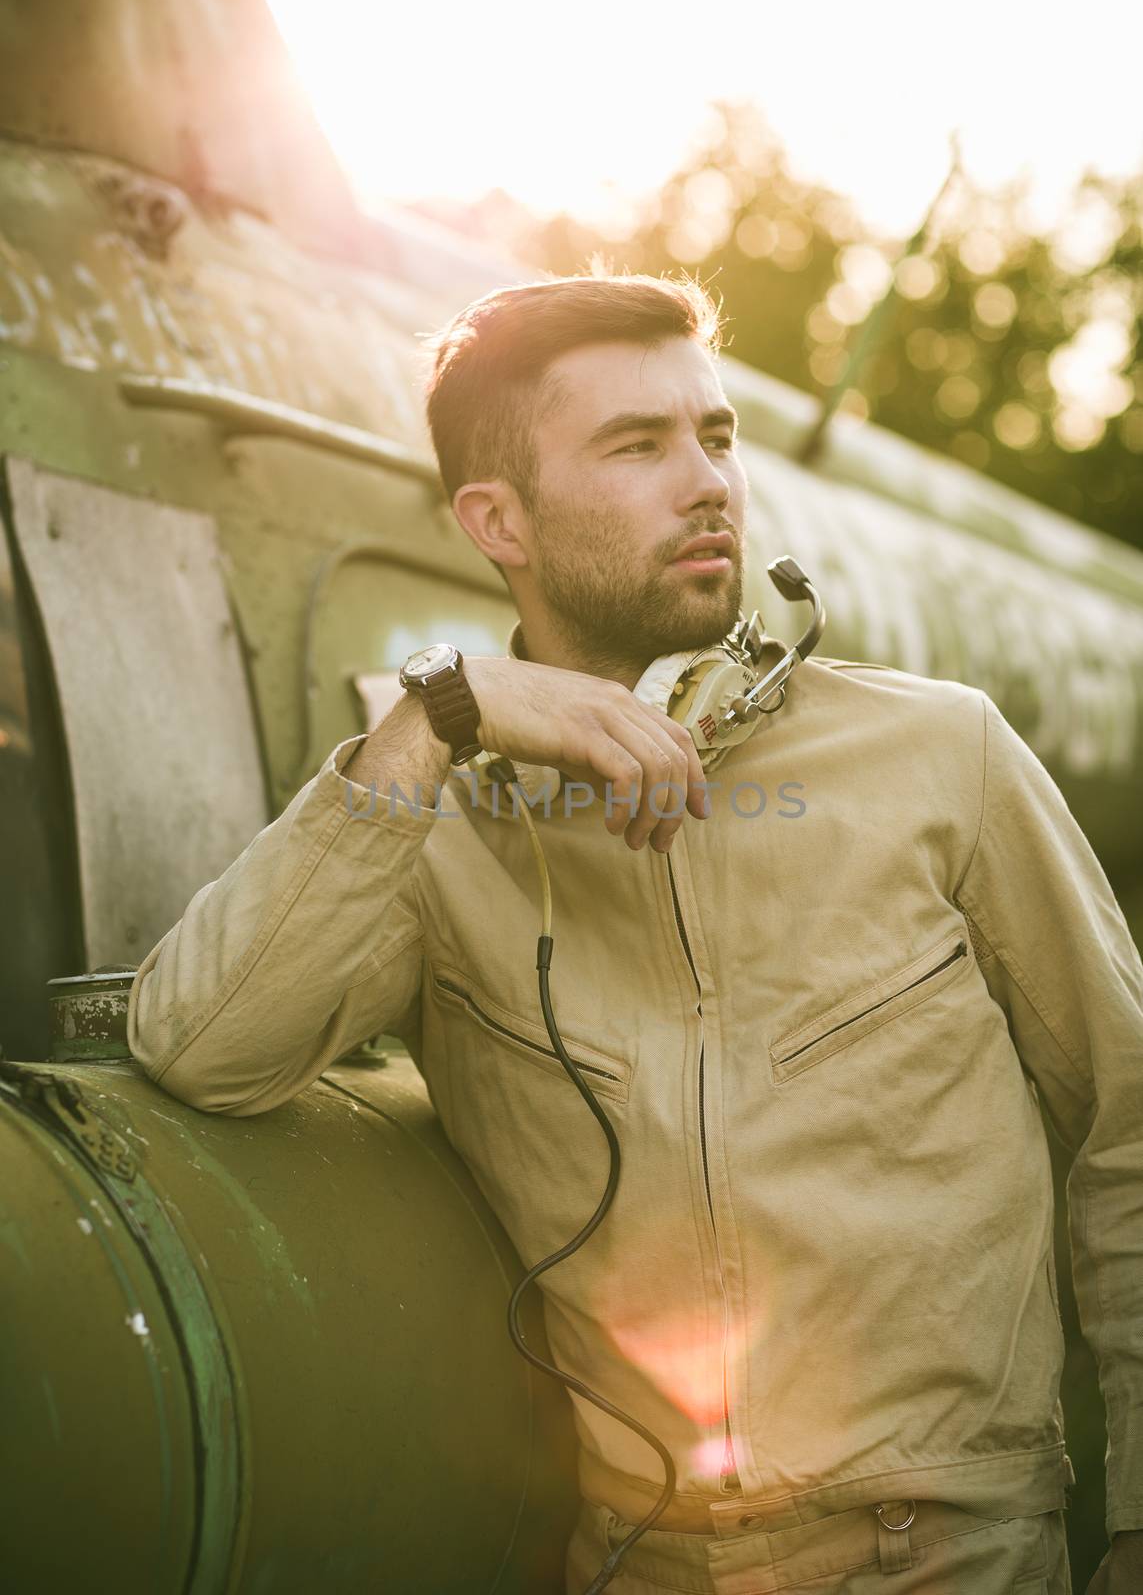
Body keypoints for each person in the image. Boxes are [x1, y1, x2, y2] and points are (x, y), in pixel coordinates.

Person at [127, 273, 1143, 1594]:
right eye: (637, 445)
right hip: (635, 1563)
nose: (708, 479)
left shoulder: (942, 752)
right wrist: (428, 722)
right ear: (500, 521)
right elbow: (200, 1047)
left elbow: (1130, 1126)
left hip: (946, 1550)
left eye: (714, 436)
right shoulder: (438, 836)